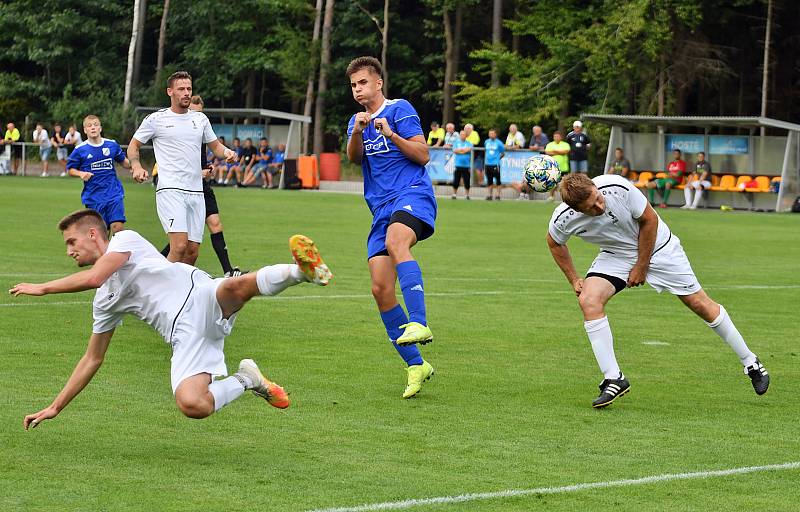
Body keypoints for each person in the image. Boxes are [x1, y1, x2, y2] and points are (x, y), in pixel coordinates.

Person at [11, 209, 333, 429]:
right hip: (184, 337)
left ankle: (303, 271)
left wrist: (42, 288)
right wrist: (55, 406)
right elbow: (92, 359)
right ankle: (247, 379)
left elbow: (96, 276)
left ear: (93, 234)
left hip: (197, 295)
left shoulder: (124, 240)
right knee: (193, 405)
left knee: (236, 287)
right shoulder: (104, 301)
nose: (69, 251)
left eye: (71, 242)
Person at [546, 173, 769, 408]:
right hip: (616, 255)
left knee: (699, 304)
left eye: (598, 197)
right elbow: (554, 242)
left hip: (660, 247)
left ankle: (751, 362)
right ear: (577, 210)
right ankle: (614, 377)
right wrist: (574, 279)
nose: (600, 205)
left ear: (595, 186)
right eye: (591, 207)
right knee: (589, 301)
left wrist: (641, 266)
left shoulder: (616, 186)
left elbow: (649, 220)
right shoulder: (563, 218)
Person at [345, 56, 436, 398]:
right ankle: (416, 365)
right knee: (380, 289)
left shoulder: (400, 109)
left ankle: (419, 321)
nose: (358, 90)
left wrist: (391, 133)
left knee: (399, 243)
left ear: (378, 83)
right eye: (354, 85)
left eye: (363, 83)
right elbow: (354, 158)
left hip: (412, 195)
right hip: (380, 209)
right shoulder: (357, 120)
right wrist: (357, 130)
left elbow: (423, 154)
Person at [127, 71, 237, 266]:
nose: (186, 93)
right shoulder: (156, 119)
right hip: (170, 190)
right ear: (170, 92)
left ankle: (178, 293)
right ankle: (157, 289)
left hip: (196, 192)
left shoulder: (200, 120)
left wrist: (227, 152)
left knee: (192, 252)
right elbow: (133, 145)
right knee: (178, 246)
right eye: (181, 89)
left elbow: (216, 147)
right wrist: (136, 166)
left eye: (189, 89)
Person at [158, 95, 245, 277]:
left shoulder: (202, 130)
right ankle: (157, 265)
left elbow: (215, 149)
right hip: (182, 188)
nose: (196, 117)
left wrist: (221, 157)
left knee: (215, 224)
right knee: (182, 240)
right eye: (193, 112)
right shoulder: (180, 134)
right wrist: (198, 172)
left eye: (200, 113)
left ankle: (228, 270)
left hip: (201, 188)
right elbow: (178, 165)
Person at [66, 115, 131, 234]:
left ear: (100, 128)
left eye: (96, 124)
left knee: (118, 229)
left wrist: (136, 166)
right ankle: (103, 253)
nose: (93, 127)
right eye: (89, 125)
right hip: (94, 197)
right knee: (101, 234)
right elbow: (70, 169)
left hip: (113, 193)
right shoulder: (80, 150)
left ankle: (116, 252)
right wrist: (80, 173)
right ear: (85, 130)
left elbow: (124, 162)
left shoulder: (111, 145)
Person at [544, 130, 571, 201]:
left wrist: (554, 151)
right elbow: (547, 152)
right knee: (553, 183)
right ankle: (551, 197)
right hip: (553, 167)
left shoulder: (565, 144)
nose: (556, 138)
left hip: (564, 168)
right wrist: (559, 152)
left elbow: (566, 151)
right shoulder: (550, 144)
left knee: (565, 184)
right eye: (555, 137)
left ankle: (565, 198)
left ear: (561, 137)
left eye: (558, 137)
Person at [451, 130, 473, 200]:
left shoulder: (469, 143)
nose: (462, 136)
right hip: (458, 164)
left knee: (467, 181)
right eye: (461, 134)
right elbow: (455, 151)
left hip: (466, 165)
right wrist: (463, 151)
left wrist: (460, 150)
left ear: (466, 135)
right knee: (456, 180)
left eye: (463, 134)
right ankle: (454, 194)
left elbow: (468, 150)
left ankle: (467, 195)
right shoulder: (456, 143)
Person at [483, 128, 505, 200]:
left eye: (492, 133)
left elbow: (503, 153)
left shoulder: (499, 143)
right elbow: (486, 151)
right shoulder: (486, 142)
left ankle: (498, 195)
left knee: (498, 180)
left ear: (495, 134)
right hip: (487, 164)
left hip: (495, 164)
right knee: (489, 180)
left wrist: (497, 159)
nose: (491, 135)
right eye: (490, 133)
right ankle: (489, 195)